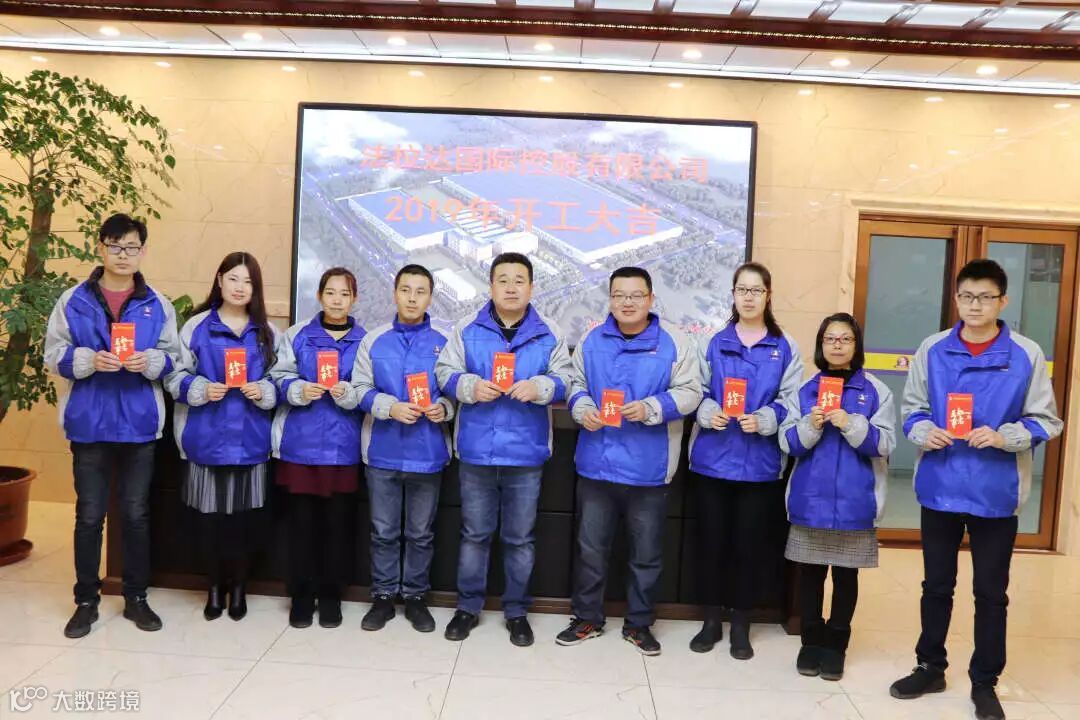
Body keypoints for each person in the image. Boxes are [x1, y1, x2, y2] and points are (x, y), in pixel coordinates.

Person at [889, 259, 1062, 720]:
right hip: (940, 485)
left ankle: (985, 681)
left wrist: (1006, 436)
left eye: (985, 297)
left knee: (990, 592)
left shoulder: (1026, 354)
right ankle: (930, 666)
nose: (975, 306)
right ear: (956, 299)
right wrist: (924, 430)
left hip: (996, 491)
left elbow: (1047, 420)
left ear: (1003, 301)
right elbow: (912, 409)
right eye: (967, 296)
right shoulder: (932, 349)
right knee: (936, 585)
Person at [44, 213, 180, 639]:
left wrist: (151, 361)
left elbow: (174, 357)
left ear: (143, 251)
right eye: (116, 246)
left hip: (139, 423)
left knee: (136, 514)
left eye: (132, 247)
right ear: (100, 246)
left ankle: (136, 597)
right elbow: (53, 354)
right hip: (89, 423)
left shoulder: (157, 304)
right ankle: (86, 601)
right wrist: (86, 360)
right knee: (89, 515)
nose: (124, 255)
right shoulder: (73, 300)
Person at [556, 266, 701, 656]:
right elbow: (574, 383)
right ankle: (587, 618)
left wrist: (653, 407)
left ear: (651, 299)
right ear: (610, 299)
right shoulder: (592, 339)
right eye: (619, 295)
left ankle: (639, 624)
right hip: (597, 464)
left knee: (646, 555)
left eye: (636, 295)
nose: (627, 302)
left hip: (649, 469)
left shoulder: (675, 341)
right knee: (590, 550)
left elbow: (692, 392)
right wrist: (582, 407)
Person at [435, 252, 572, 647]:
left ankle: (516, 612)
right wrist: (469, 386)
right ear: (491, 286)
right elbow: (444, 372)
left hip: (526, 453)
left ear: (531, 287)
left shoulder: (549, 332)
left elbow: (565, 378)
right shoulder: (467, 328)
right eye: (503, 280)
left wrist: (541, 387)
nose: (511, 288)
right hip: (477, 451)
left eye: (519, 280)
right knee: (474, 535)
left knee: (519, 538)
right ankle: (467, 608)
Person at [685, 261, 803, 659]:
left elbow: (792, 400)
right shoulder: (712, 341)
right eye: (742, 290)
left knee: (749, 548)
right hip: (712, 462)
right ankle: (711, 621)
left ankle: (741, 625)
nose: (749, 297)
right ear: (733, 295)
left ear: (768, 296)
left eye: (756, 290)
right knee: (711, 545)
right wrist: (707, 410)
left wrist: (768, 417)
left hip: (760, 466)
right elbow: (695, 389)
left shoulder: (785, 346)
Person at [165, 252, 282, 622]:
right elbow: (173, 376)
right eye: (233, 279)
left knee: (244, 522)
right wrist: (199, 388)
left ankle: (239, 589)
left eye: (248, 281)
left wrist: (264, 390)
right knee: (209, 521)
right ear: (219, 280)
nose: (240, 287)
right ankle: (214, 588)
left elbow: (282, 379)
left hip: (251, 441)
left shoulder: (267, 331)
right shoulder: (196, 326)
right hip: (206, 439)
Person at [779, 313, 895, 681]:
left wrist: (851, 423)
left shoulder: (876, 390)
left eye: (845, 339)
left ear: (856, 345)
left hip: (855, 501)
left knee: (846, 576)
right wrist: (810, 426)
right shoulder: (805, 389)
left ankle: (837, 644)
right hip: (810, 499)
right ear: (821, 345)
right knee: (810, 575)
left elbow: (885, 444)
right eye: (830, 339)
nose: (837, 345)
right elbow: (788, 443)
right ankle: (811, 641)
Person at [352, 264, 455, 634]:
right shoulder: (374, 340)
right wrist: (389, 407)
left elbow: (454, 390)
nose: (412, 298)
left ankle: (415, 597)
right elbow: (358, 389)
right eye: (406, 290)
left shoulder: (446, 341)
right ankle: (382, 596)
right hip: (383, 451)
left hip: (428, 453)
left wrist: (444, 408)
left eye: (420, 291)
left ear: (430, 297)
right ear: (394, 293)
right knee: (383, 531)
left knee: (421, 534)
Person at [270, 267, 365, 629]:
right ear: (320, 296)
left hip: (344, 446)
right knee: (301, 525)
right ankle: (300, 595)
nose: (337, 300)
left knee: (338, 527)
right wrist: (297, 389)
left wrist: (350, 393)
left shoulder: (365, 340)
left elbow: (369, 388)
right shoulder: (297, 335)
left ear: (354, 299)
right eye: (331, 293)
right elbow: (277, 378)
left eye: (345, 294)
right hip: (301, 445)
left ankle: (331, 595)